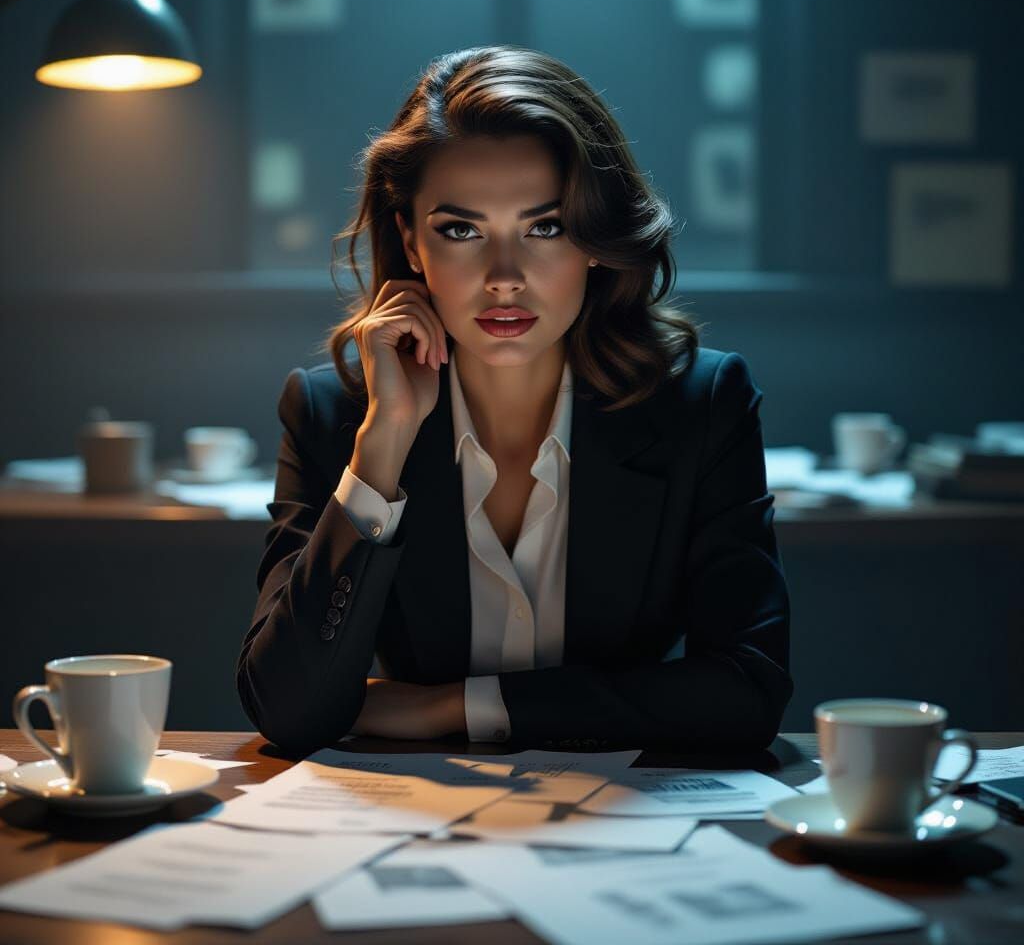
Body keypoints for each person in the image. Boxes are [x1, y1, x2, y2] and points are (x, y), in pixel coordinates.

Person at [236, 45, 793, 756]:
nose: (504, 276)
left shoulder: (702, 404)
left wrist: (458, 706)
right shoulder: (331, 415)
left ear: (595, 239)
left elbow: (746, 693)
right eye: (461, 230)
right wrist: (383, 445)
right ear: (411, 241)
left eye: (545, 227)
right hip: (410, 818)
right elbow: (288, 710)